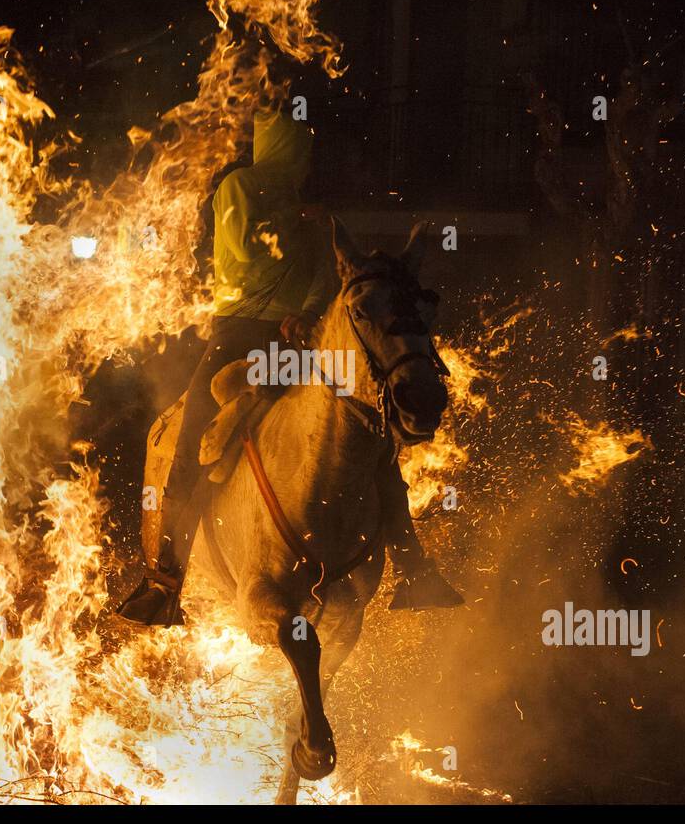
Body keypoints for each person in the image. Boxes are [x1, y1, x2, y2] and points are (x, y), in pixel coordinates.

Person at [118, 108, 461, 625]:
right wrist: (293, 220)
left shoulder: (307, 213)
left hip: (293, 345)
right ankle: (164, 580)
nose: (305, 163)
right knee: (191, 443)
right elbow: (247, 246)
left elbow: (328, 281)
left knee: (371, 434)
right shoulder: (240, 188)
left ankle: (415, 567)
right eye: (299, 151)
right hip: (239, 337)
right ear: (282, 149)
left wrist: (306, 316)